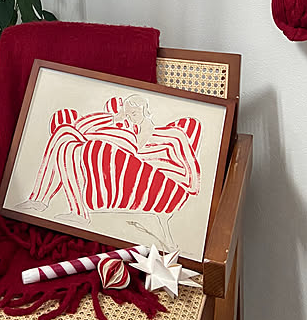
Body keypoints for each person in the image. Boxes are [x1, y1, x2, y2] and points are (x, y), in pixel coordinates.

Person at [18, 95, 202, 250]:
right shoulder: (132, 133)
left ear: (146, 111)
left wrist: (159, 169)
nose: (130, 118)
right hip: (127, 175)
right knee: (65, 134)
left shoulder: (173, 135)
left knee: (80, 141)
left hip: (155, 182)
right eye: (127, 114)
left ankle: (72, 210)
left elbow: (193, 181)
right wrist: (116, 120)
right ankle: (46, 202)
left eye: (134, 113)